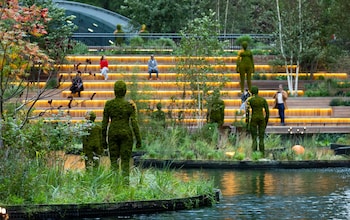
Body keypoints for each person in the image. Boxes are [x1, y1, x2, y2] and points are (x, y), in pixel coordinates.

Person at [102, 80, 142, 184]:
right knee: (125, 161)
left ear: (115, 91)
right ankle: (125, 184)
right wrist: (138, 139)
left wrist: (103, 140)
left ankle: (114, 184)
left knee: (114, 161)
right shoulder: (129, 105)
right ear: (125, 91)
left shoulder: (109, 104)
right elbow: (134, 122)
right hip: (126, 134)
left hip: (113, 133)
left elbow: (104, 123)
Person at [247, 86, 269, 155]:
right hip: (261, 119)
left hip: (253, 118)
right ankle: (262, 153)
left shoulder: (250, 100)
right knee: (261, 137)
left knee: (254, 138)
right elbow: (267, 112)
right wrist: (266, 121)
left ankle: (254, 153)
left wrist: (247, 122)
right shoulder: (263, 100)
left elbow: (247, 112)